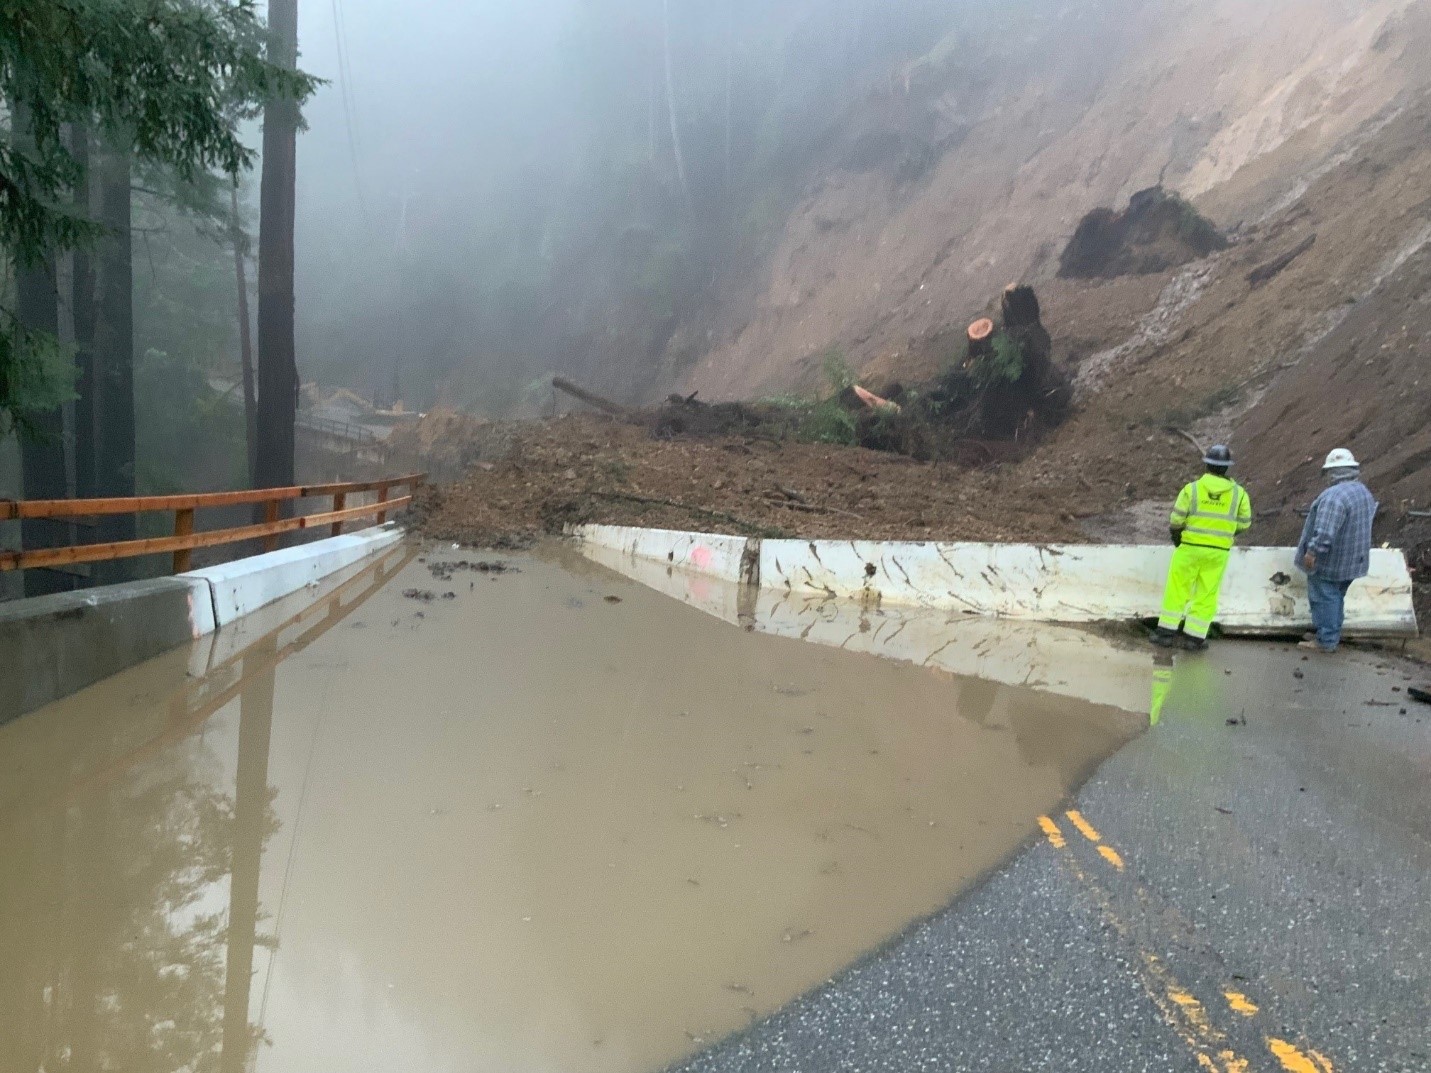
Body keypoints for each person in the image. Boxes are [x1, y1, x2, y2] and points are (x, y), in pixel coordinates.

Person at [1151, 444, 1252, 651]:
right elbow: (1244, 523)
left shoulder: (1192, 489)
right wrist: (1224, 533)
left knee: (1177, 589)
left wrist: (1177, 536)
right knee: (1207, 594)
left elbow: (1176, 519)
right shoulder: (1239, 494)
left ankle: (1165, 635)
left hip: (1189, 548)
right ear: (1226, 468)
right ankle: (1194, 639)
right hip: (1218, 552)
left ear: (1207, 465)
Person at [1295, 448, 1377, 653]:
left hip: (1332, 562)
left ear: (1333, 472)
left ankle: (1326, 641)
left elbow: (1324, 533)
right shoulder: (1362, 491)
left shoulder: (1333, 497)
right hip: (1353, 560)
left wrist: (1312, 552)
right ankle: (1329, 632)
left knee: (1325, 598)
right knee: (1336, 597)